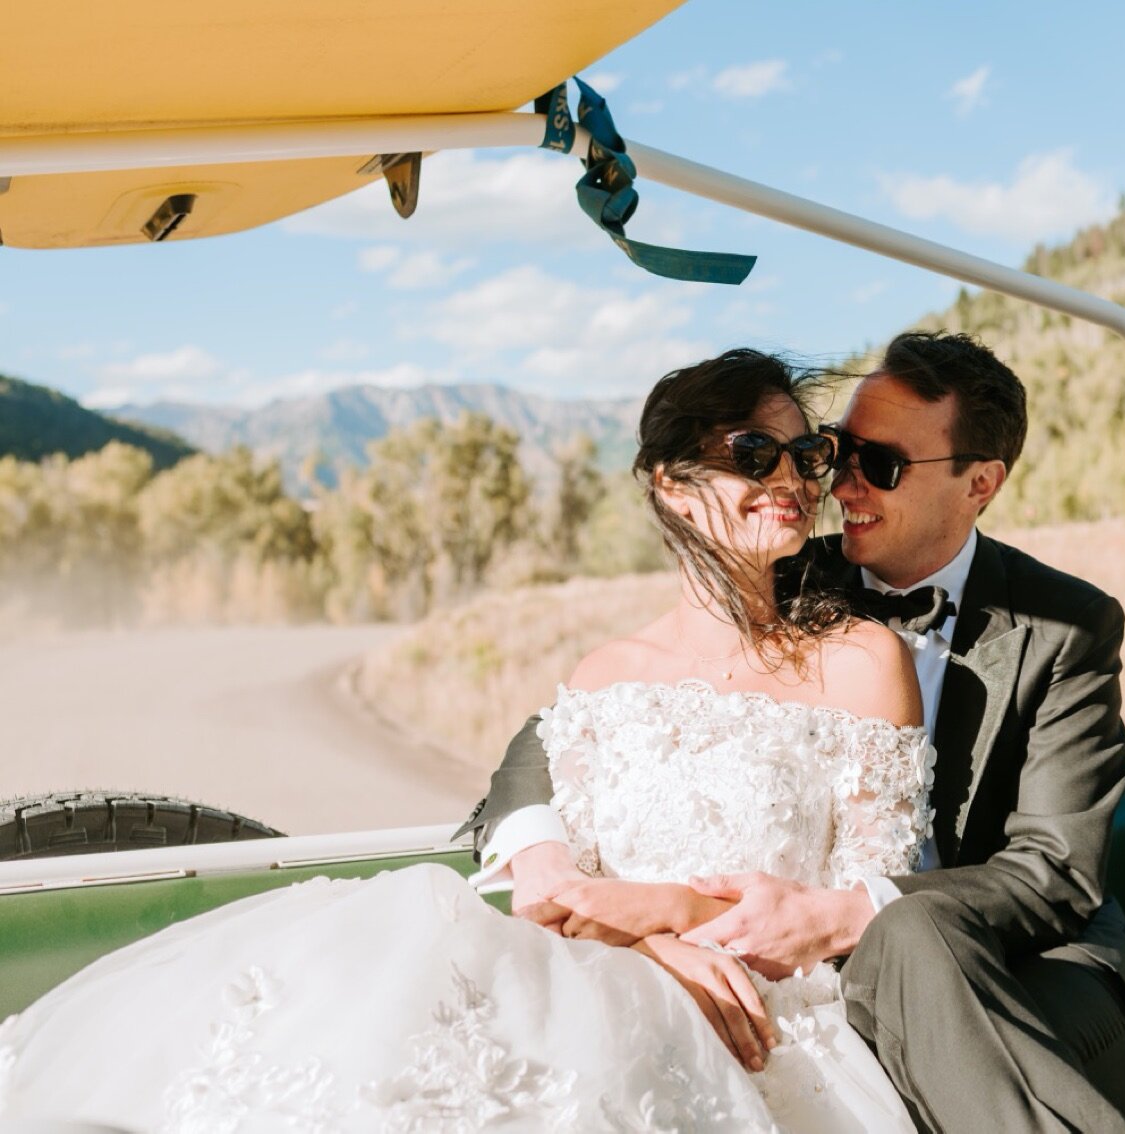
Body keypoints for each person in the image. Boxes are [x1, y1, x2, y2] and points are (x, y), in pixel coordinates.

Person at [0, 349, 935, 1133]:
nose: (790, 480)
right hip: (609, 980)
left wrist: (666, 913)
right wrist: (647, 947)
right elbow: (558, 896)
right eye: (754, 452)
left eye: (804, 455)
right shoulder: (605, 675)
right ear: (674, 486)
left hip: (767, 1024)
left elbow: (856, 914)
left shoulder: (860, 663)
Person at [463, 331, 1125, 1132]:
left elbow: (1054, 874)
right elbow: (554, 739)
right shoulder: (778, 571)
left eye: (879, 466)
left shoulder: (1066, 625)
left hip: (1023, 972)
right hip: (819, 982)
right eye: (835, 453)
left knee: (911, 937)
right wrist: (547, 866)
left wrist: (850, 913)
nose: (837, 484)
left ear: (979, 482)